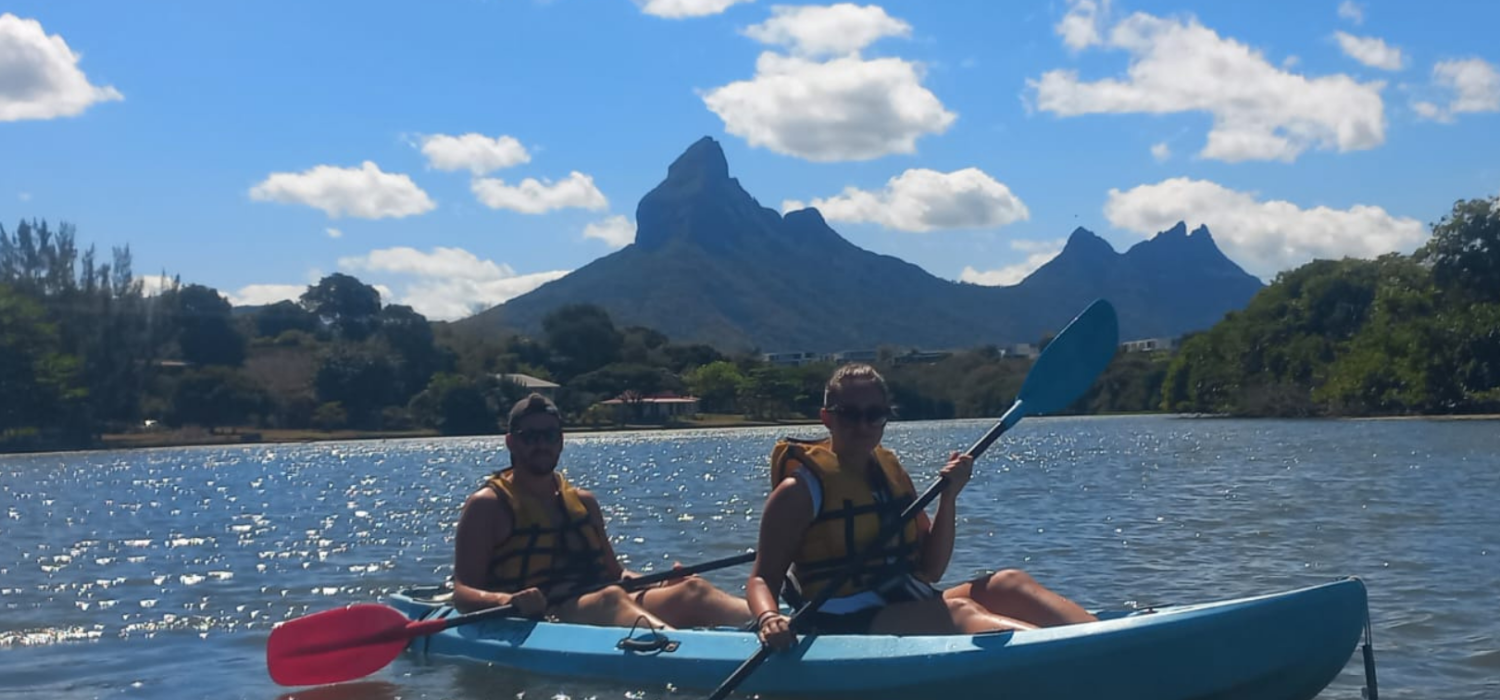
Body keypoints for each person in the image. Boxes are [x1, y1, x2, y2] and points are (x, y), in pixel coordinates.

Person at [747, 363, 1097, 649]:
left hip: (901, 599)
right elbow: (762, 577)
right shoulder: (799, 491)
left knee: (1008, 583)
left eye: (874, 414)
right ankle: (1069, 654)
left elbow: (930, 569)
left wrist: (949, 497)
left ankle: (1106, 640)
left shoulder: (889, 473)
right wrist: (769, 618)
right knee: (960, 611)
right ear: (827, 417)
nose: (863, 425)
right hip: (838, 617)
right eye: (849, 414)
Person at [452, 392, 752, 630]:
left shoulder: (584, 501)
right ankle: (683, 653)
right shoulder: (488, 505)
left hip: (604, 600)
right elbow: (462, 593)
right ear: (511, 442)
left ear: (561, 440)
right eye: (530, 437)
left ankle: (777, 625)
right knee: (609, 599)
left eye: (550, 435)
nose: (541, 444)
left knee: (693, 590)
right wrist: (508, 600)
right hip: (550, 613)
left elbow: (615, 573)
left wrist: (661, 583)